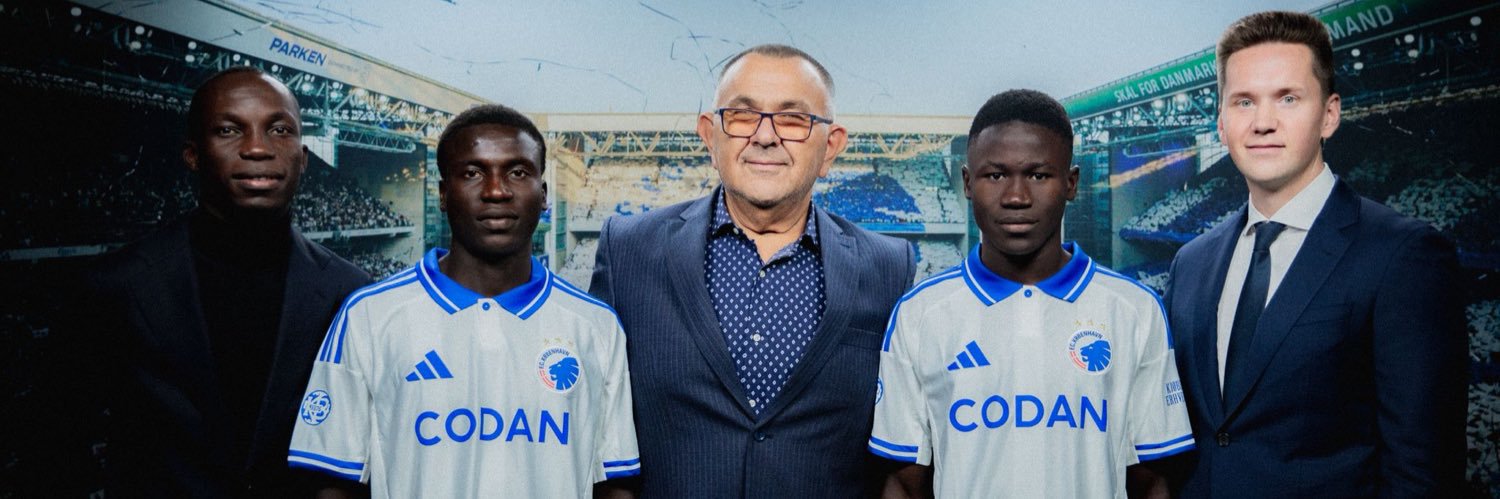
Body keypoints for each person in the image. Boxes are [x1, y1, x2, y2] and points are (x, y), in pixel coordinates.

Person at [589, 44, 915, 497]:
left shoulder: (889, 268)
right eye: (742, 116)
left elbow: (898, 459)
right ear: (710, 135)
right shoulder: (628, 250)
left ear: (831, 147)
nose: (765, 136)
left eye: (793, 119)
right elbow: (597, 435)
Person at [1165, 11, 1466, 497]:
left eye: (1288, 98)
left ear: (1329, 115)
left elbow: (1423, 472)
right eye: (1244, 101)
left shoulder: (1403, 255)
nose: (1263, 123)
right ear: (1221, 123)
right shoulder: (1191, 264)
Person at [287, 104, 639, 498]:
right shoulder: (369, 316)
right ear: (443, 194)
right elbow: (332, 483)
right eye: (472, 173)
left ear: (543, 195)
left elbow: (615, 485)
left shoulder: (595, 326)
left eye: (518, 172)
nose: (496, 191)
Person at [871, 90, 1194, 498]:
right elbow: (903, 483)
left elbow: (1152, 483)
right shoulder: (921, 315)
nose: (1016, 197)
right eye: (995, 176)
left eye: (1039, 176)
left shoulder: (1134, 311)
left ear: (1071, 183)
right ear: (967, 183)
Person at [69, 66, 371, 496]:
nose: (257, 148)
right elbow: (56, 450)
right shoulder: (116, 286)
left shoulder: (351, 293)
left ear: (304, 158)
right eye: (229, 130)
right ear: (193, 155)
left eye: (279, 130)